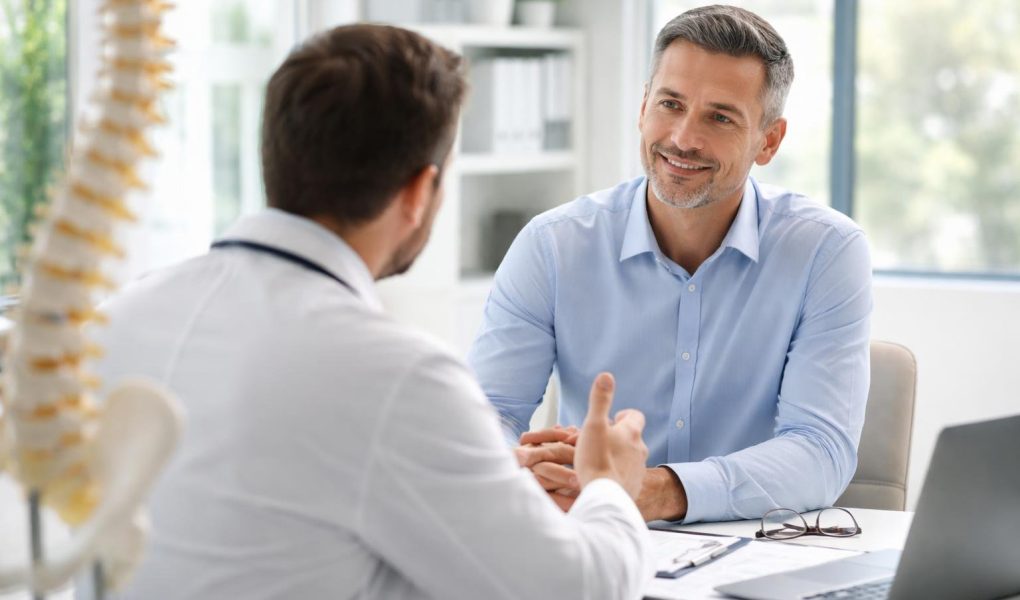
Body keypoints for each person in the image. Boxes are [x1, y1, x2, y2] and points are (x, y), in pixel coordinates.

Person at [88, 24, 653, 600]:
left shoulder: (114, 320)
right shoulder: (398, 377)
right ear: (417, 193)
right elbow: (579, 588)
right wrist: (609, 482)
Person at [468, 5, 872, 524]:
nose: (683, 138)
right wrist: (525, 469)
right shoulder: (552, 246)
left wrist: (652, 491)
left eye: (720, 117)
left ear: (768, 140)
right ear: (643, 108)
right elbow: (488, 415)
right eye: (671, 104)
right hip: (589, 541)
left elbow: (820, 452)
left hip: (751, 554)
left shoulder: (826, 252)